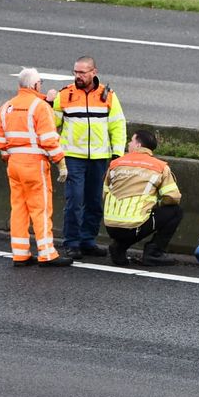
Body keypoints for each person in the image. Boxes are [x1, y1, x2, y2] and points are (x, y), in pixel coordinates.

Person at [46, 56, 126, 260]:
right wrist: (48, 102)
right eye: (75, 72)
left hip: (99, 157)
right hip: (73, 156)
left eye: (82, 72)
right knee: (75, 200)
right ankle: (72, 243)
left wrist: (117, 154)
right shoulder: (65, 95)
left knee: (94, 202)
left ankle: (88, 241)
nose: (78, 76)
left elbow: (117, 125)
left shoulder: (108, 96)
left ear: (94, 72)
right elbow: (50, 122)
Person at [0, 68, 72, 268]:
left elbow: (1, 139)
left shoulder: (6, 107)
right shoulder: (39, 107)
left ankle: (20, 254)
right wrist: (60, 163)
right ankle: (47, 254)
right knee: (41, 208)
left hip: (14, 164)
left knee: (19, 209)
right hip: (34, 164)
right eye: (41, 83)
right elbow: (48, 139)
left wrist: (8, 157)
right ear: (35, 85)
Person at [103, 129, 182, 267]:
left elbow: (104, 194)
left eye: (131, 140)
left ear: (138, 145)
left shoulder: (116, 164)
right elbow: (173, 197)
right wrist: (156, 204)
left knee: (133, 220)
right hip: (133, 227)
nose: (128, 143)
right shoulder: (159, 167)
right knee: (176, 211)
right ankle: (153, 253)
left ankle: (119, 247)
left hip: (110, 225)